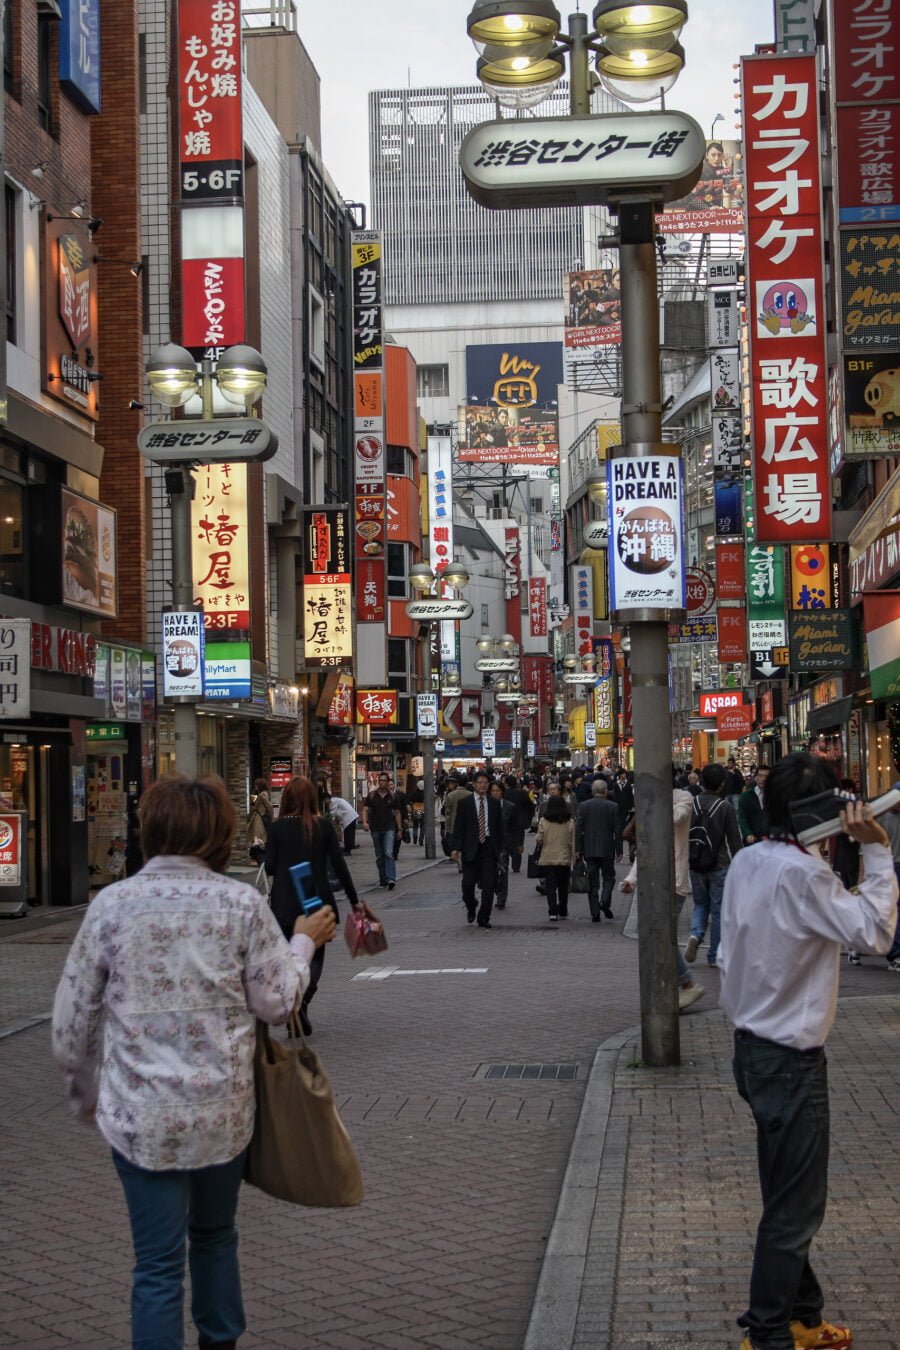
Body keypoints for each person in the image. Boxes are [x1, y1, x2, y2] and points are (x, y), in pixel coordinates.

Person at [52, 774, 336, 1350]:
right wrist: (304, 940)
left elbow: (70, 1022)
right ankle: (220, 1340)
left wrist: (88, 1096)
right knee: (214, 1237)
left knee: (155, 1266)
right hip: (221, 1112)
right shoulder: (240, 904)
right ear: (220, 834)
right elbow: (278, 1003)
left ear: (149, 828)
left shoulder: (112, 906)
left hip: (139, 1116)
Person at [719, 753, 898, 1350]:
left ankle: (804, 1314)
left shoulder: (748, 861)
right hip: (791, 1059)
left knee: (785, 1195)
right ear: (819, 812)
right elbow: (874, 933)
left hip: (751, 1049)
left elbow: (728, 952)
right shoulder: (805, 875)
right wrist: (875, 849)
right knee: (795, 1210)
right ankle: (768, 1331)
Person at [266, 776, 361, 1034]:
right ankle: (304, 999)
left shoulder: (276, 828)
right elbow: (339, 864)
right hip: (315, 898)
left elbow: (271, 866)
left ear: (286, 799)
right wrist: (354, 899)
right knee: (315, 953)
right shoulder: (323, 825)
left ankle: (293, 1000)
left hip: (285, 900)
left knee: (288, 953)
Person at [621, 781, 704, 1010]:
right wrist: (631, 879)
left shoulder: (682, 798)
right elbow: (646, 848)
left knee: (663, 934)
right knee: (656, 934)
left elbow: (677, 817)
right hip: (652, 882)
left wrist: (654, 801)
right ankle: (675, 985)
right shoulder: (649, 804)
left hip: (674, 881)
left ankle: (686, 983)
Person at [685, 762, 742, 967]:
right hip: (719, 864)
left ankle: (695, 934)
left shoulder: (692, 803)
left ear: (701, 781)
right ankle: (714, 954)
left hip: (696, 862)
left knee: (700, 904)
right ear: (721, 784)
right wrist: (739, 865)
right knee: (718, 910)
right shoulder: (725, 807)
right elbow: (734, 840)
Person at [450, 768, 503, 928]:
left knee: (489, 885)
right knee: (467, 883)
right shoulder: (464, 803)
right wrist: (455, 848)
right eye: (480, 783)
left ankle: (484, 917)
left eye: (486, 783)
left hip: (488, 846)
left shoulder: (494, 803)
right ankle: (471, 905)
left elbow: (499, 827)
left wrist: (500, 848)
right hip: (471, 847)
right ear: (473, 784)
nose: (483, 786)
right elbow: (459, 826)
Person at [575, 778, 618, 921]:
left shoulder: (584, 806)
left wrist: (578, 849)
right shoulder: (613, 806)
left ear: (593, 792)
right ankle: (605, 901)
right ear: (606, 791)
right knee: (609, 877)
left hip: (589, 848)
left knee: (592, 880)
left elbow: (579, 828)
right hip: (607, 848)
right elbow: (617, 830)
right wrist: (620, 850)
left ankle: (595, 913)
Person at [535, 791, 576, 920]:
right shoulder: (569, 821)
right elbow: (572, 841)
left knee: (551, 885)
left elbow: (539, 838)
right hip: (564, 857)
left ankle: (552, 911)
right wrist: (574, 857)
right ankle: (563, 910)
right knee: (563, 885)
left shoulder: (543, 820)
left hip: (548, 856)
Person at [361, 771, 403, 889]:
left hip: (389, 827)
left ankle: (391, 879)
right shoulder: (372, 795)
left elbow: (397, 813)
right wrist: (365, 822)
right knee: (379, 855)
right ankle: (383, 879)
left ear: (388, 782)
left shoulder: (392, 796)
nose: (381, 782)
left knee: (388, 852)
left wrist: (399, 829)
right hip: (375, 828)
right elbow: (365, 809)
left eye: (384, 780)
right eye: (380, 780)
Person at [503, 774, 531, 871]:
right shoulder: (522, 793)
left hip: (506, 820)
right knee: (518, 841)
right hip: (520, 820)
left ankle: (504, 862)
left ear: (506, 783)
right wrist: (527, 818)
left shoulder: (504, 793)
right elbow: (530, 805)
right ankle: (516, 865)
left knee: (505, 842)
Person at [738, 764, 770, 843]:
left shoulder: (775, 796)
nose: (763, 779)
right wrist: (747, 834)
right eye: (760, 776)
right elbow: (742, 818)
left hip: (771, 841)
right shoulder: (745, 797)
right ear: (755, 778)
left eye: (766, 776)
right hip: (753, 840)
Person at [442, 773, 469, 860]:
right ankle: (465, 860)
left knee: (457, 843)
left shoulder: (451, 795)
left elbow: (448, 813)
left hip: (454, 823)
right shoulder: (471, 794)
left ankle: (460, 863)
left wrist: (447, 827)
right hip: (468, 823)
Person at [246, 776, 272, 864]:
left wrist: (271, 817)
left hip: (259, 818)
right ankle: (257, 856)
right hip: (256, 817)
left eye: (256, 785)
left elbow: (269, 806)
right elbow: (253, 805)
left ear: (259, 785)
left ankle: (260, 857)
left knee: (259, 837)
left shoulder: (263, 794)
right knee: (256, 837)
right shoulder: (257, 794)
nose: (255, 787)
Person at [388, 777, 410, 862]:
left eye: (392, 784)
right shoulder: (385, 795)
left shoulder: (400, 794)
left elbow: (405, 807)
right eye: (389, 785)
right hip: (388, 819)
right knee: (390, 836)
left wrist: (406, 818)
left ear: (394, 785)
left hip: (399, 819)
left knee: (398, 837)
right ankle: (390, 853)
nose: (391, 786)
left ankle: (395, 853)